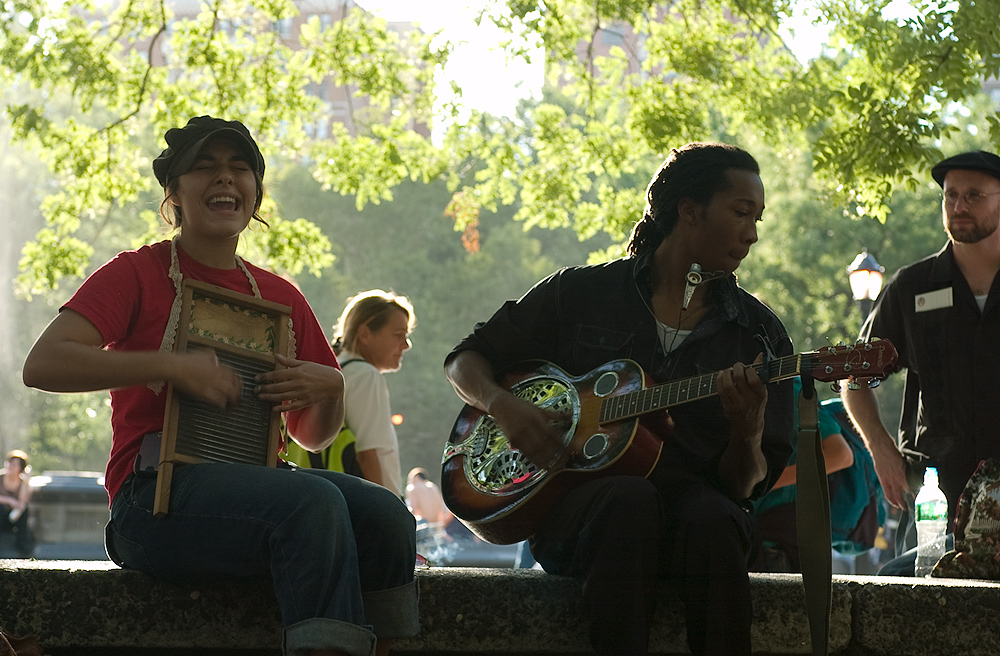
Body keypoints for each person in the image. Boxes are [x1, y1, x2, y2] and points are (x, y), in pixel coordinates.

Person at [21, 116, 418, 656]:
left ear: (255, 194)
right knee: (313, 503)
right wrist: (171, 367)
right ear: (174, 193)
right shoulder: (136, 273)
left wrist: (331, 389)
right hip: (151, 503)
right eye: (204, 167)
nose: (224, 179)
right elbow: (43, 364)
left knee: (387, 516)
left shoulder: (281, 297)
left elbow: (314, 437)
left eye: (239, 169)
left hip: (258, 495)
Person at [444, 142, 794, 656]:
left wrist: (748, 430)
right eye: (741, 213)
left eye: (758, 218)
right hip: (580, 514)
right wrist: (505, 406)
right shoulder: (582, 293)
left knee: (716, 519)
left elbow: (742, 486)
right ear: (690, 211)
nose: (752, 233)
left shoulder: (758, 337)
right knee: (629, 500)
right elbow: (466, 359)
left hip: (694, 524)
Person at [842, 149, 1000, 574]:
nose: (959, 206)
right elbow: (855, 377)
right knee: (918, 616)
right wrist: (879, 447)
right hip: (934, 498)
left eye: (974, 195)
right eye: (950, 196)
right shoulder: (912, 287)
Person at [285, 291, 414, 498]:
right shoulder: (366, 376)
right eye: (399, 335)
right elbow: (368, 455)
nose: (406, 345)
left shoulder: (334, 371)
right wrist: (387, 511)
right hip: (363, 505)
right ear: (365, 334)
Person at [751, 379, 854, 572]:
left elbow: (841, 455)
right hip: (749, 537)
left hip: (777, 547)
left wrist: (764, 483)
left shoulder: (789, 388)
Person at [0, 450, 34, 557]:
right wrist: (9, 500)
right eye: (10, 463)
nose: (11, 466)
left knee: (24, 511)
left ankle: (24, 549)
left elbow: (23, 501)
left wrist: (25, 480)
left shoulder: (22, 482)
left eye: (15, 464)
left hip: (13, 517)